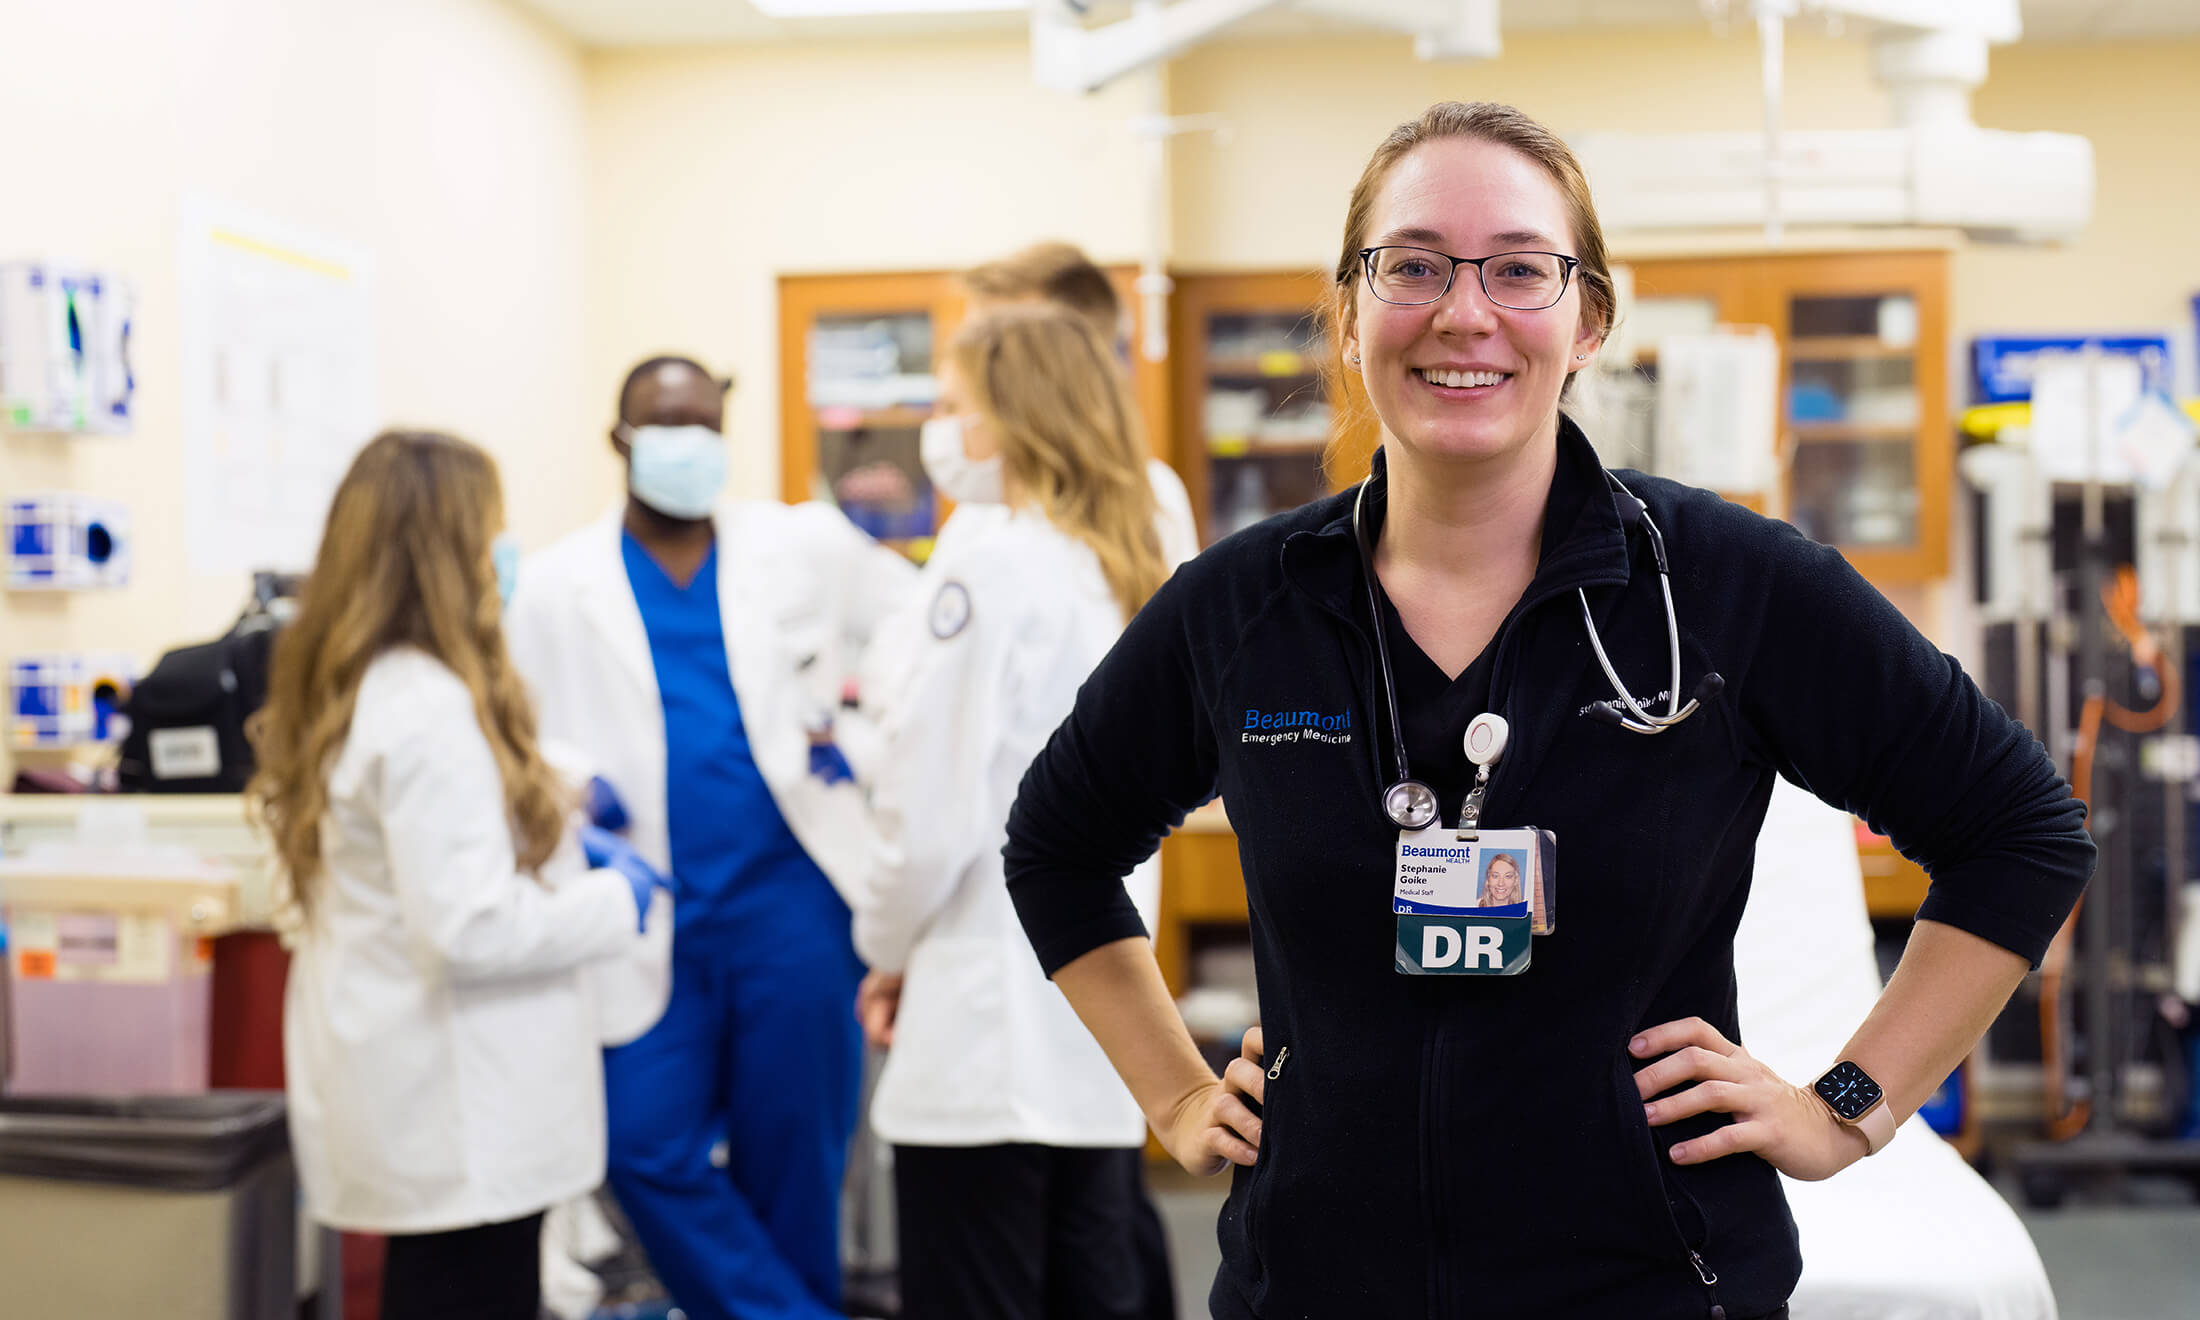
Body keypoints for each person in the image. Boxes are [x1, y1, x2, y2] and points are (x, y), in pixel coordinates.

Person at [1002, 101, 2094, 1320]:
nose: (1463, 312)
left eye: (1519, 270)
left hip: (1648, 1289)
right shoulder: (1245, 608)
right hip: (1315, 1288)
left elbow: (2019, 832)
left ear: (1588, 321)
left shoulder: (1722, 587)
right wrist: (1172, 1095)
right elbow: (1055, 845)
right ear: (1349, 312)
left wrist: (1846, 1108)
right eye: (1412, 265)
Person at [504, 356, 915, 1320]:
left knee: (796, 1157)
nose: (688, 444)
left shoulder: (800, 544)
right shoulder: (557, 586)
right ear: (620, 440)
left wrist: (858, 736)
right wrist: (568, 781)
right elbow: (513, 729)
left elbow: (921, 630)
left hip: (792, 905)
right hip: (643, 907)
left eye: (704, 425)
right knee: (638, 1143)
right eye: (665, 425)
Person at [249, 430, 669, 1320]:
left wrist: (555, 810)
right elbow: (470, 928)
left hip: (426, 1093)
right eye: (491, 531)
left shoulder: (368, 685)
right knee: (467, 1290)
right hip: (465, 1109)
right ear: (443, 551)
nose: (503, 553)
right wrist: (613, 901)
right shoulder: (426, 709)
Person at [849, 304, 1170, 1320]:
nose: (939, 430)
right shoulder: (1122, 567)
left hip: (984, 1024)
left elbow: (929, 816)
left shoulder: (990, 569)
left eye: (955, 405)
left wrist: (882, 947)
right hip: (1094, 1020)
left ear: (1017, 415)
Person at [962, 241, 1200, 565]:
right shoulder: (987, 498)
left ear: (1082, 358)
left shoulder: (1150, 503)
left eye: (999, 354)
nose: (972, 376)